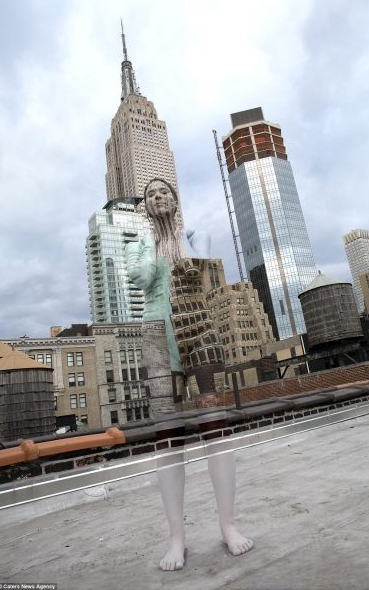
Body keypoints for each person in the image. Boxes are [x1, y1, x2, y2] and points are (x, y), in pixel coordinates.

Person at [126, 178, 253, 571]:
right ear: (145, 206)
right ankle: (177, 538)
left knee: (215, 426)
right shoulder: (136, 244)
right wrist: (153, 241)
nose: (158, 197)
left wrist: (175, 240)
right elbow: (143, 278)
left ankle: (228, 525)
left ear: (175, 199)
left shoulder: (197, 235)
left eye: (164, 192)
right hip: (157, 338)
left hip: (201, 332)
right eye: (150, 194)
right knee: (168, 439)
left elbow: (198, 270)